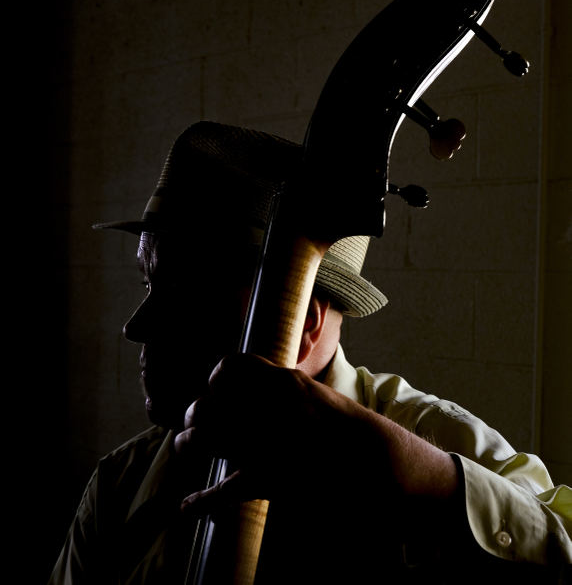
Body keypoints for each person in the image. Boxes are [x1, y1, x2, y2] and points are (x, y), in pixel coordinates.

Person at [50, 121, 571, 584]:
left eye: (185, 294)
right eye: (148, 284)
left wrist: (423, 483)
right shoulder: (119, 485)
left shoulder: (429, 438)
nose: (136, 326)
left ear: (300, 320)